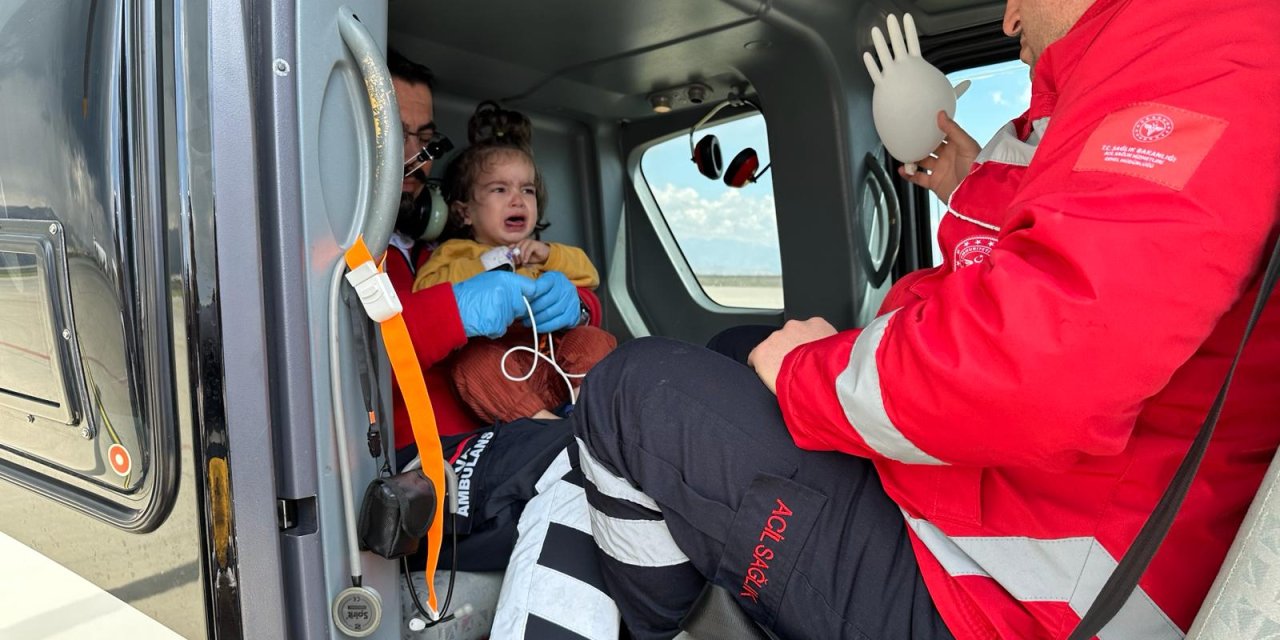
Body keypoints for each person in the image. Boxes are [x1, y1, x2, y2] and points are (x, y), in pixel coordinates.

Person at [570, 0, 1280, 638]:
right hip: (1018, 511)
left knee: (630, 392)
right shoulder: (1163, 58)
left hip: (1022, 593)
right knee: (731, 345)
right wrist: (970, 182)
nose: (1007, 19)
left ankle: (663, 626)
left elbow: (1037, 362)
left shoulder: (1203, 49)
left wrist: (806, 374)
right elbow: (1088, 257)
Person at [413, 103, 616, 424]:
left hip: (554, 367)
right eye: (499, 189)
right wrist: (487, 266)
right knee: (473, 366)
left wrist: (548, 254)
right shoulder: (454, 252)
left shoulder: (537, 252)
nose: (517, 200)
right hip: (506, 374)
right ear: (465, 212)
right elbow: (426, 289)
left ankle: (586, 409)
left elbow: (588, 274)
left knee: (593, 339)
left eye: (527, 190)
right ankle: (546, 427)